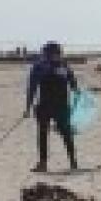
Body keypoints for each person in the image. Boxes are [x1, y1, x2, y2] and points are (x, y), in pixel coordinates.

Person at [24, 41, 79, 173]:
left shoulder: (40, 67)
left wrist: (28, 107)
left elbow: (32, 87)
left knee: (49, 134)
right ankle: (71, 162)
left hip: (50, 106)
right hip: (57, 106)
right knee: (63, 134)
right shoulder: (64, 67)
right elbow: (74, 88)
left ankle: (49, 163)